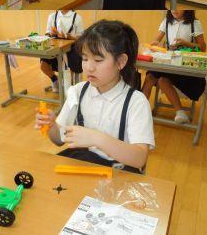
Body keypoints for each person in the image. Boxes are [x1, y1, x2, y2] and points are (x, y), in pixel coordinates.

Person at [35, 20, 154, 172]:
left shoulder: (136, 102)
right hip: (84, 166)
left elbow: (139, 158)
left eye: (98, 60)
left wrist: (96, 138)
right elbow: (60, 139)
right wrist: (52, 126)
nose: (89, 67)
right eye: (85, 59)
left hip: (118, 173)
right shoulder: (78, 92)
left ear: (121, 62)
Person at [141, 10, 206, 124]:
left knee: (162, 80)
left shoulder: (195, 23)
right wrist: (154, 44)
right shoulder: (166, 21)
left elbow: (202, 48)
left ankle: (180, 113)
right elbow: (156, 39)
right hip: (168, 63)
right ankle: (140, 110)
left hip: (183, 66)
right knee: (150, 77)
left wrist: (185, 43)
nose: (174, 10)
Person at [41, 10, 84, 93]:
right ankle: (55, 80)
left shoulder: (77, 17)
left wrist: (68, 36)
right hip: (55, 47)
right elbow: (47, 33)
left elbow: (81, 37)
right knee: (43, 65)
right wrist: (51, 34)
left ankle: (70, 85)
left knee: (71, 66)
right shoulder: (52, 16)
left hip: (71, 48)